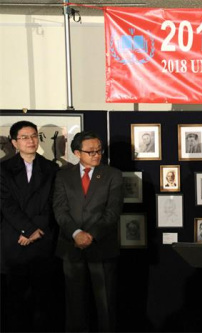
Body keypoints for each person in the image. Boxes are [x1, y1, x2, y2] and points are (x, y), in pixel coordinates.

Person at [53, 130, 124, 332]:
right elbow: (60, 209)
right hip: (71, 247)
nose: (96, 155)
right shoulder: (63, 176)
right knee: (74, 305)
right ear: (77, 153)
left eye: (99, 151)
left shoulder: (113, 175)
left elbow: (112, 211)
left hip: (102, 246)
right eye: (90, 151)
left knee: (105, 304)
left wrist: (90, 235)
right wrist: (76, 233)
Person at [0, 121, 60, 332]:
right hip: (15, 240)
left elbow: (54, 204)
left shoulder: (52, 168)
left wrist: (35, 231)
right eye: (24, 137)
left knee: (44, 300)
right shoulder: (3, 169)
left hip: (42, 239)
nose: (30, 141)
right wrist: (26, 230)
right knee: (15, 300)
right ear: (14, 142)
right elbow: (5, 204)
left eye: (34, 136)